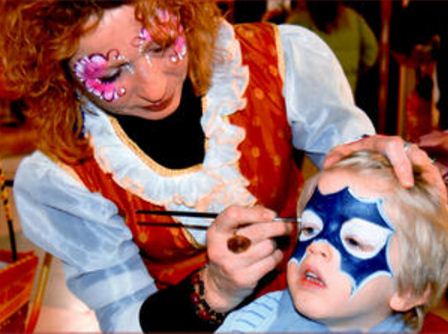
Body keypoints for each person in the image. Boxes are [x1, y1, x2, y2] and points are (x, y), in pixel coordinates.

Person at [0, 0, 443, 332]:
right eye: (112, 74)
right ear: (57, 72)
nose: (154, 88)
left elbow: (356, 177)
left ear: (184, 14)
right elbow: (126, 320)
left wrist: (368, 156)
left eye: (160, 46)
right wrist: (213, 292)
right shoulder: (66, 177)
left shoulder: (272, 61)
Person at [217, 150, 448, 332]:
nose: (317, 246)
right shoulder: (252, 324)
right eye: (310, 229)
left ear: (408, 291)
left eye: (355, 241)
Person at [286, 0, 378, 95]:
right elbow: (371, 51)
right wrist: (353, 70)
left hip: (310, 90)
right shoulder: (353, 18)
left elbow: (281, 53)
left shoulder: (298, 20)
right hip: (345, 89)